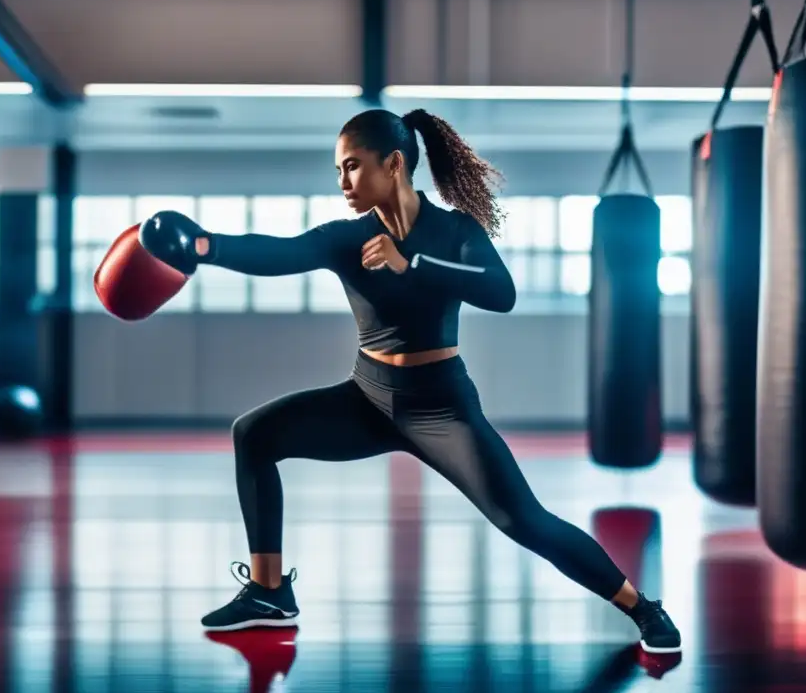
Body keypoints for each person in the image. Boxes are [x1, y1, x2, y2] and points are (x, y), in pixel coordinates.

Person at [137, 108, 682, 654]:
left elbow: (501, 291)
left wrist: (411, 264)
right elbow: (281, 252)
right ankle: (269, 592)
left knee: (524, 519)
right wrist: (206, 248)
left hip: (442, 408)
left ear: (394, 163)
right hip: (368, 398)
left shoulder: (455, 231)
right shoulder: (347, 238)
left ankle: (643, 608)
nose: (343, 182)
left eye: (352, 167)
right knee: (254, 433)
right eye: (338, 171)